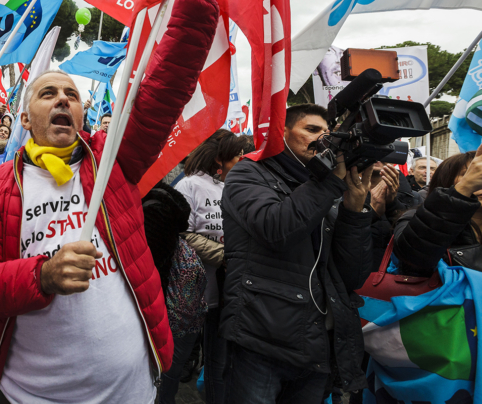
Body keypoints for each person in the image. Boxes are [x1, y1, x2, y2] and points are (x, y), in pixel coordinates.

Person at [0, 0, 229, 404]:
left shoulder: (111, 162)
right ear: (23, 113)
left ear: (82, 114)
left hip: (132, 390)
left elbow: (164, 89)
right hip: (29, 395)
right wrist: (41, 275)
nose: (62, 99)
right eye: (47, 92)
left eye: (71, 95)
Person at [220, 103, 374, 403]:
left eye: (328, 133)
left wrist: (355, 212)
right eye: (312, 130)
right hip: (262, 338)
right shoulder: (248, 173)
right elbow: (277, 229)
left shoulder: (326, 187)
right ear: (282, 133)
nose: (323, 139)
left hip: (316, 342)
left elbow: (351, 276)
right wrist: (328, 183)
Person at [175, 131, 252, 404]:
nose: (242, 157)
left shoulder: (236, 187)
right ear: (219, 157)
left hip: (226, 294)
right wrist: (225, 255)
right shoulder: (189, 186)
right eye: (237, 153)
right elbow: (181, 234)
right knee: (177, 361)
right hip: (192, 294)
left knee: (218, 366)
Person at [142, 183, 208, 404]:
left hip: (158, 311)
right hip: (180, 319)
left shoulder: (152, 210)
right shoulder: (165, 205)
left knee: (159, 379)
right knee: (168, 376)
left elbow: (148, 268)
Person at [394, 149, 481, 275]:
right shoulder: (416, 218)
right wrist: (463, 190)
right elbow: (413, 258)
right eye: (472, 175)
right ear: (446, 179)